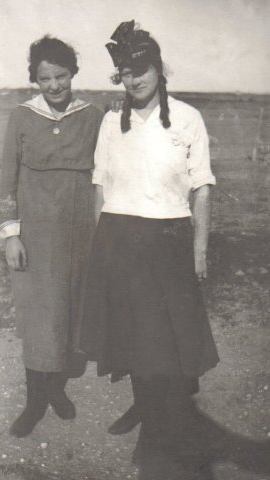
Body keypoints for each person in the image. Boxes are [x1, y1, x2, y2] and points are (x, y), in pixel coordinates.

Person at [80, 20, 220, 465]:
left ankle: (160, 429)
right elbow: (99, 186)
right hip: (118, 240)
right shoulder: (108, 123)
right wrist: (98, 247)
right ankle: (146, 407)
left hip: (169, 241)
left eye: (141, 69)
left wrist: (198, 251)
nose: (134, 78)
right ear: (118, 75)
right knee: (130, 338)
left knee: (165, 343)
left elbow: (201, 188)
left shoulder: (187, 119)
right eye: (125, 70)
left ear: (159, 70)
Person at [0, 36, 103, 438]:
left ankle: (56, 391)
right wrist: (11, 236)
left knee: (67, 314)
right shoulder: (21, 118)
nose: (55, 85)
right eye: (45, 78)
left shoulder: (92, 117)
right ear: (35, 79)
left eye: (61, 76)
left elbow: (105, 175)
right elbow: (6, 181)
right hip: (35, 239)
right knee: (37, 316)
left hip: (80, 237)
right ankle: (33, 402)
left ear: (73, 73)